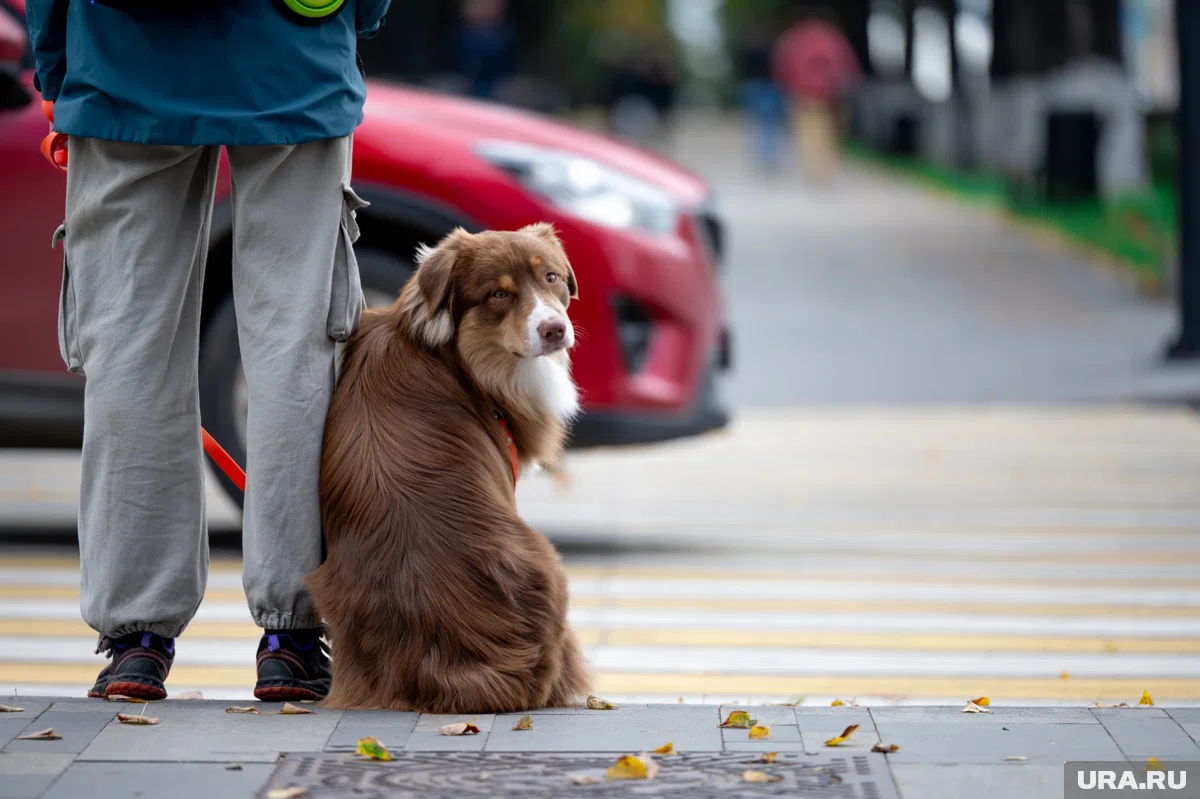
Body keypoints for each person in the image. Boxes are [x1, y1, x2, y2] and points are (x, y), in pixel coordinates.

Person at [25, 0, 390, 702]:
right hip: (294, 54)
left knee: (131, 348)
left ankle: (136, 639)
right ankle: (291, 634)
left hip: (123, 61)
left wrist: (56, 68)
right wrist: (350, 24)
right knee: (293, 350)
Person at [771, 11, 862, 184]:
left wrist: (783, 85)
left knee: (806, 131)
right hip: (829, 92)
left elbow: (781, 64)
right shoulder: (832, 38)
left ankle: (813, 169)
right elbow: (847, 62)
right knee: (828, 130)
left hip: (801, 92)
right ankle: (826, 168)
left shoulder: (793, 38)